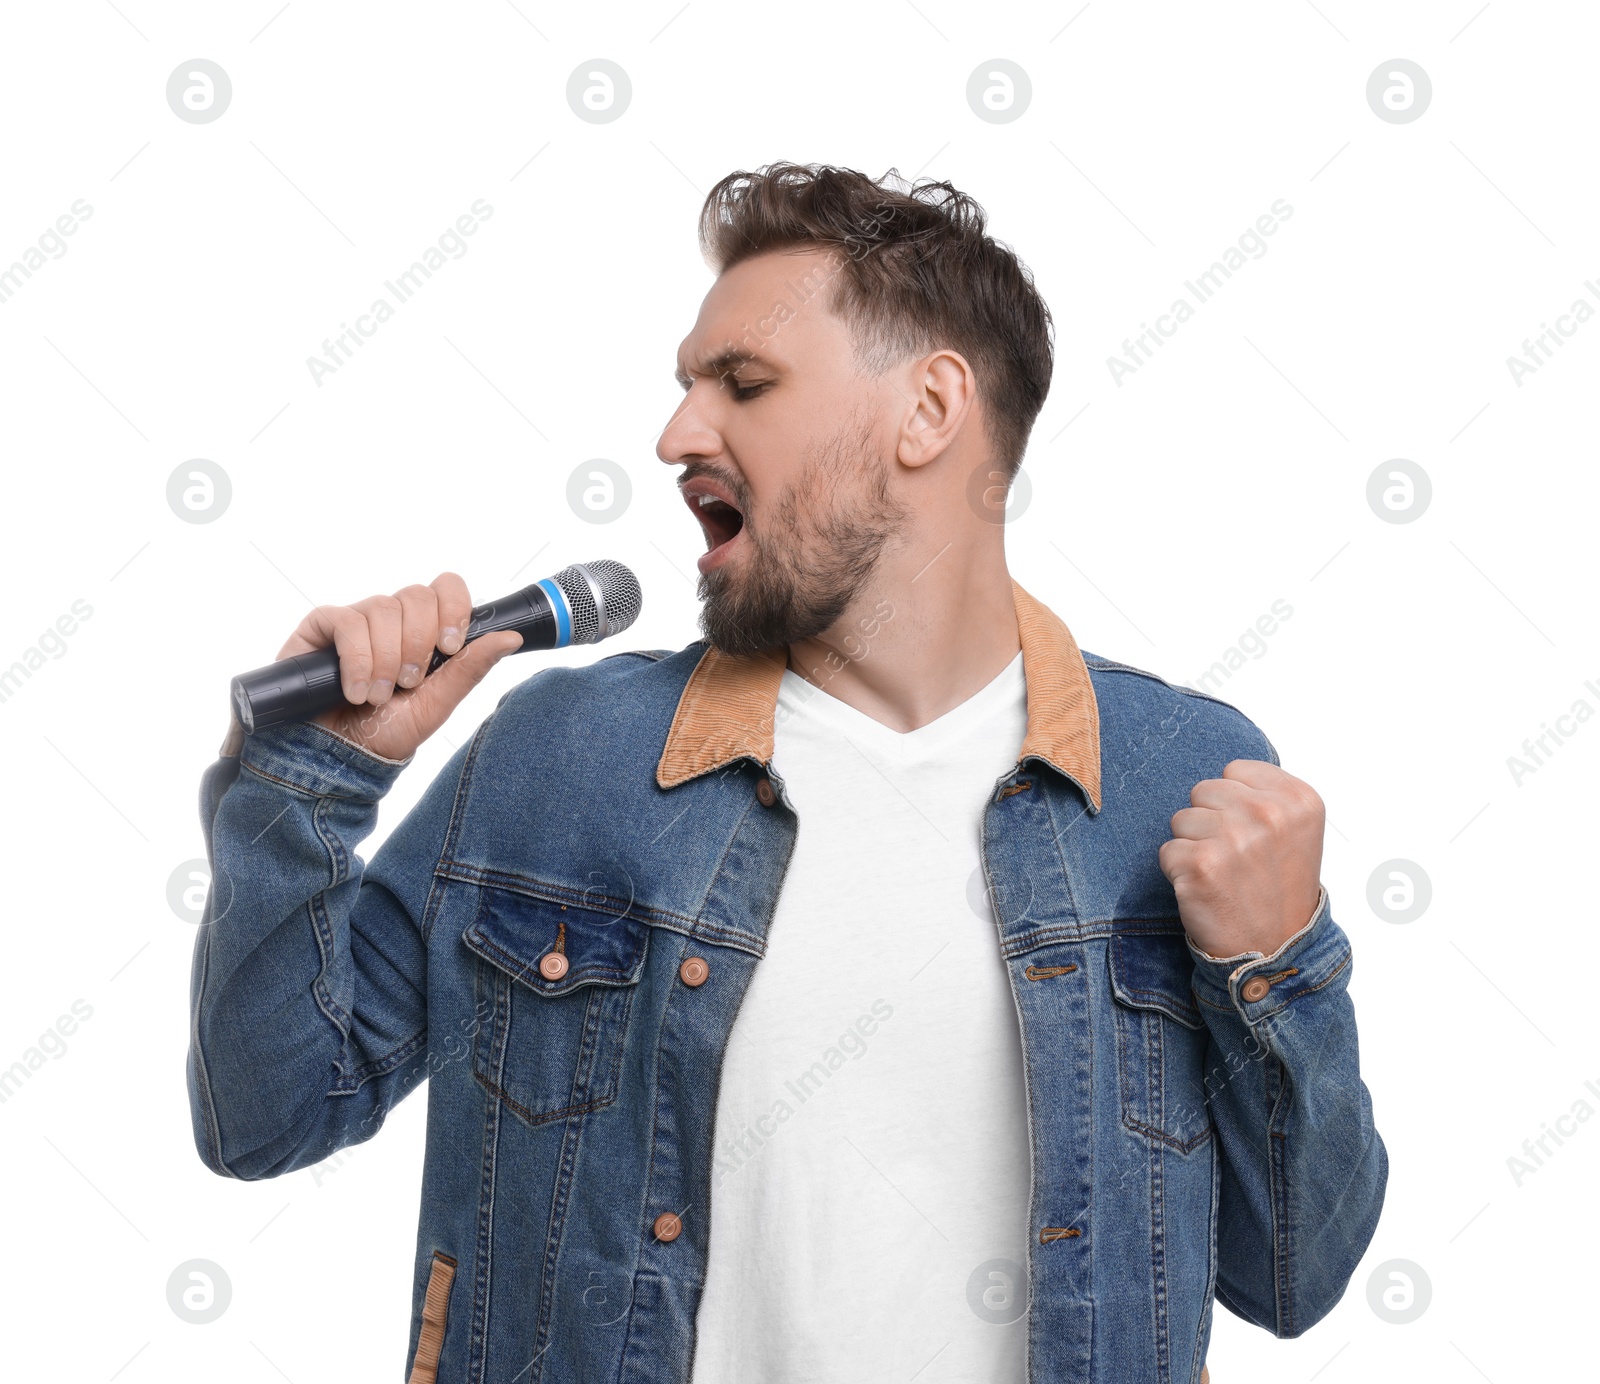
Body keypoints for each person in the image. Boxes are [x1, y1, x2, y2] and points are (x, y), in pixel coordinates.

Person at [188, 162, 1386, 1384]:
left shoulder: (1177, 780)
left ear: (928, 411)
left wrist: (1275, 965)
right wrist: (311, 778)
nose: (675, 435)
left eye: (743, 385)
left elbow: (1292, 1274)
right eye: (687, 387)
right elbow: (265, 1113)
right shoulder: (565, 756)